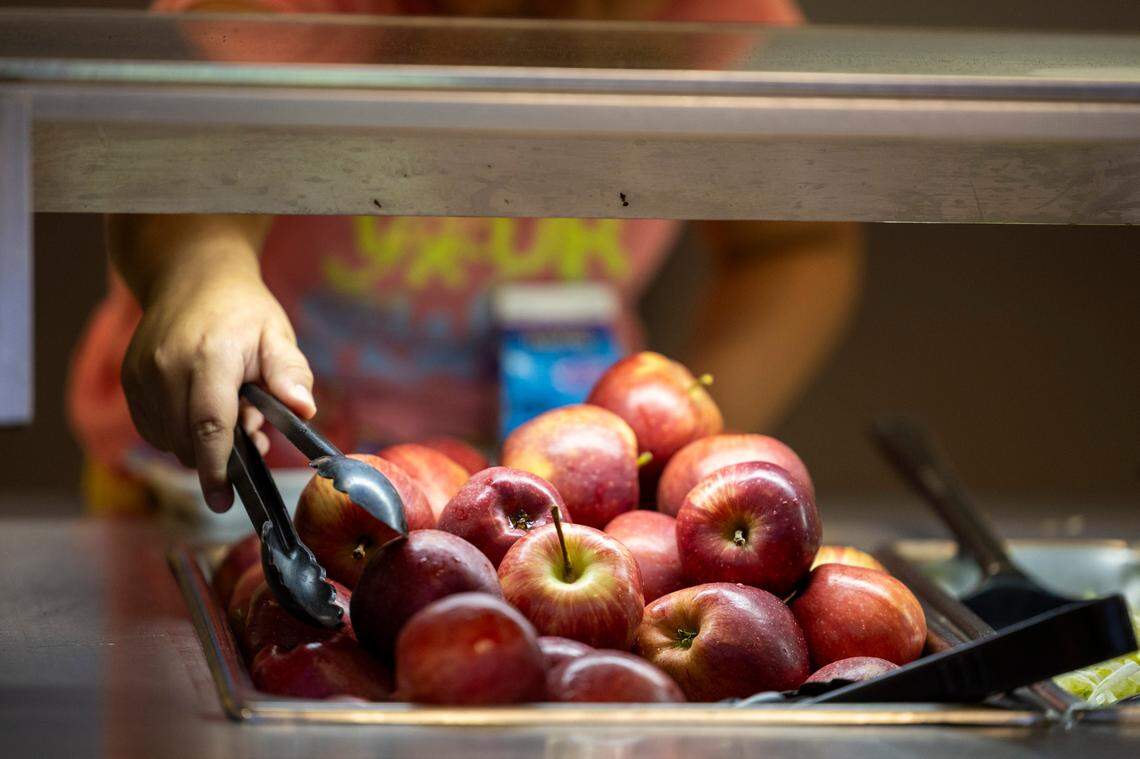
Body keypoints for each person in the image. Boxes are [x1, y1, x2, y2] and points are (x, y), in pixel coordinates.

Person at [68, 0, 863, 515]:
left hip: (547, 509)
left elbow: (790, 244)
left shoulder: (716, 21)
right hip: (224, 495)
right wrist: (202, 275)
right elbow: (186, 158)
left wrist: (681, 456)